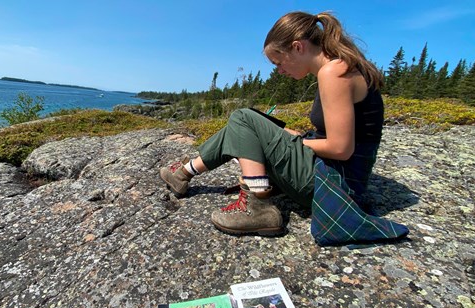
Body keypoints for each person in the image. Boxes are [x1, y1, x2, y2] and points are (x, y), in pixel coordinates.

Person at [160, 11, 386, 237]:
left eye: (278, 62)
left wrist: (295, 141)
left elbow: (341, 149)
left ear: (298, 47)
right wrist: (290, 136)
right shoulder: (337, 68)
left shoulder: (333, 72)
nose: (279, 71)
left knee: (243, 118)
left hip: (333, 185)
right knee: (247, 123)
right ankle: (183, 173)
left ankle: (257, 206)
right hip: (331, 174)